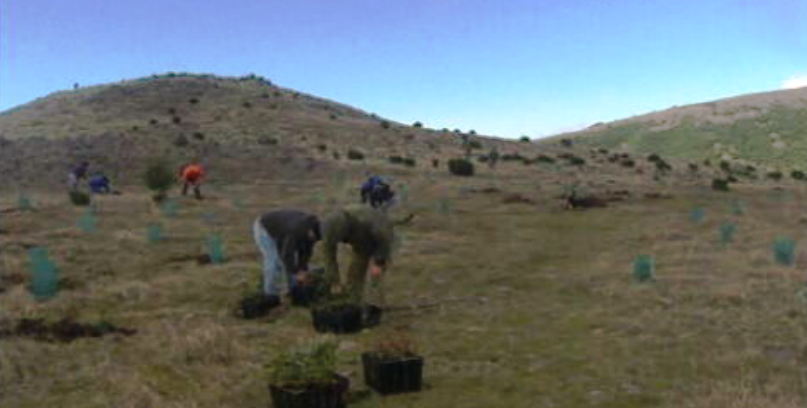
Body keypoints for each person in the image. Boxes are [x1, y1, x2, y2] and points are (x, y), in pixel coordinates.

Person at [322, 205, 394, 305]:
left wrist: (379, 262)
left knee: (375, 278)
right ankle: (353, 303)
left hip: (382, 241)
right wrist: (334, 280)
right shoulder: (330, 229)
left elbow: (384, 238)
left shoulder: (366, 220)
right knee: (354, 275)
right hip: (361, 245)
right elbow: (329, 256)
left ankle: (375, 307)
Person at [253, 210, 322, 306]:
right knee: (273, 261)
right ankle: (270, 295)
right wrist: (295, 272)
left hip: (282, 233)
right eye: (313, 238)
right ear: (310, 231)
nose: (313, 240)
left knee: (289, 261)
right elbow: (287, 254)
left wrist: (302, 269)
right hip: (264, 229)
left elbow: (306, 252)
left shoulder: (313, 231)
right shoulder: (296, 229)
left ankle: (293, 289)